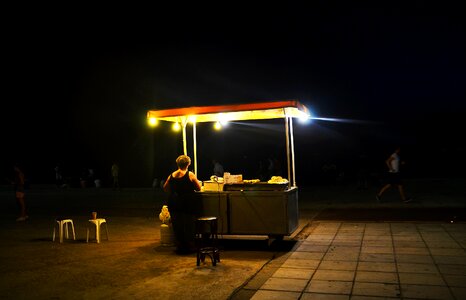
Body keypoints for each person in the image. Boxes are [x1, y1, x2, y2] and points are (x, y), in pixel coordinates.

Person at [163, 155, 202, 254]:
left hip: (174, 202)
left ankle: (180, 246)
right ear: (188, 164)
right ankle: (189, 246)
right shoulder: (190, 174)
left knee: (177, 225)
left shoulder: (172, 175)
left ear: (177, 164)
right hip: (187, 203)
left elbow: (165, 187)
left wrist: (174, 192)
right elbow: (198, 188)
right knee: (189, 224)